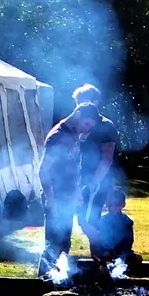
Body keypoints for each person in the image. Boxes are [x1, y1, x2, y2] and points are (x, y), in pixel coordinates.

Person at [39, 101, 100, 270]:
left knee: (64, 243)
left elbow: (73, 167)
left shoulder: (74, 135)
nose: (86, 129)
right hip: (56, 197)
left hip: (67, 198)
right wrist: (51, 199)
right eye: (86, 124)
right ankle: (42, 282)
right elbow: (43, 170)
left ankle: (58, 281)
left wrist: (76, 192)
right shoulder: (58, 136)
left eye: (90, 127)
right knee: (53, 245)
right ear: (78, 114)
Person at [73, 84, 121, 219]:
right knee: (80, 219)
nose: (79, 106)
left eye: (82, 102)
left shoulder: (106, 126)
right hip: (80, 179)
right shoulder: (78, 124)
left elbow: (107, 159)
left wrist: (94, 183)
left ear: (95, 103)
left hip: (96, 182)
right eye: (77, 102)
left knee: (90, 220)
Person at [83, 186, 140, 273]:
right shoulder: (103, 221)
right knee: (105, 259)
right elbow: (101, 243)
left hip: (120, 253)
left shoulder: (127, 222)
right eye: (110, 204)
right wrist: (107, 252)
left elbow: (128, 244)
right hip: (104, 253)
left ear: (122, 205)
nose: (112, 207)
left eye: (116, 204)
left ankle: (126, 275)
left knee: (137, 258)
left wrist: (120, 258)